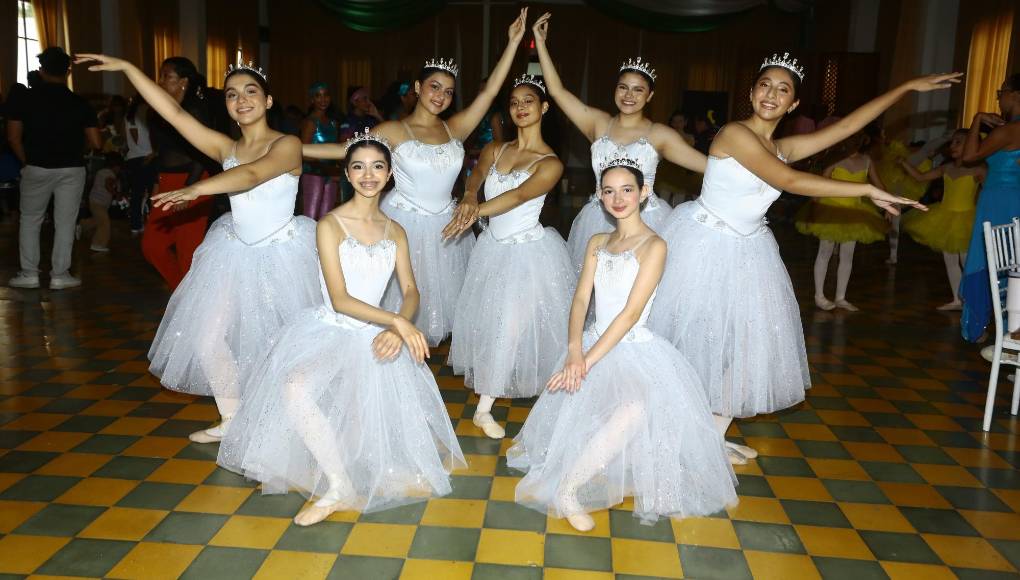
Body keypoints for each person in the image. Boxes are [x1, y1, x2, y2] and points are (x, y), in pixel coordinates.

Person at [649, 53, 954, 463]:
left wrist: (903, 89)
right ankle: (662, 427)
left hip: (749, 253)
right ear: (752, 92)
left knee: (741, 347)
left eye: (783, 89)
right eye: (765, 85)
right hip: (704, 246)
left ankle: (711, 434)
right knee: (692, 341)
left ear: (793, 105)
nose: (771, 94)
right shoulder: (734, 134)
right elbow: (787, 180)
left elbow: (847, 126)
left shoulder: (784, 147)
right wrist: (864, 190)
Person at [219, 133, 465, 526]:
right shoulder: (330, 224)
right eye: (358, 166)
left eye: (377, 166)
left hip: (374, 332)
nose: (368, 174)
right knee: (295, 387)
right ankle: (338, 485)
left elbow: (412, 290)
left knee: (355, 413)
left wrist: (397, 324)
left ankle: (344, 470)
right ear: (347, 175)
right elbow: (340, 299)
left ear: (390, 175)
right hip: (333, 327)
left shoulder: (395, 230)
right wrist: (397, 321)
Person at [78, 53, 321, 443]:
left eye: (251, 91)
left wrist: (197, 187)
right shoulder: (224, 146)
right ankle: (232, 418)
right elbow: (173, 114)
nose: (241, 100)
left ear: (268, 101)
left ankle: (292, 420)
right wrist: (129, 70)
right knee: (209, 337)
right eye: (231, 95)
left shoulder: (288, 144)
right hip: (233, 251)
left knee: (283, 344)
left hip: (283, 254)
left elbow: (255, 173)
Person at [508, 158, 737, 532]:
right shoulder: (598, 243)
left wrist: (588, 361)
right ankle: (572, 479)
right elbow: (581, 299)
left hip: (632, 345)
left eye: (627, 189)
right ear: (599, 196)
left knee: (634, 408)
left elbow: (630, 314)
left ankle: (569, 488)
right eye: (609, 190)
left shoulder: (654, 245)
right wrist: (574, 350)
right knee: (595, 409)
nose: (618, 198)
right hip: (593, 342)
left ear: (644, 193)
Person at [303, 8, 530, 346]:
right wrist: (290, 150)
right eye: (434, 87)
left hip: (447, 228)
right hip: (405, 220)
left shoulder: (455, 129)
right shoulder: (394, 129)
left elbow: (488, 95)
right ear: (418, 87)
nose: (440, 95)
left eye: (449, 91)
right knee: (391, 308)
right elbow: (344, 151)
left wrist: (512, 44)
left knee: (439, 313)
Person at [444, 75, 574, 440]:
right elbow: (477, 174)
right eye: (515, 101)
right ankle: (488, 400)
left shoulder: (550, 163)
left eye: (528, 100)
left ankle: (484, 409)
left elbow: (518, 197)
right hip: (492, 249)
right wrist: (470, 195)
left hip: (528, 254)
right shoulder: (496, 148)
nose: (520, 107)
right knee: (491, 323)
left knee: (511, 326)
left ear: (544, 107)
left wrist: (475, 211)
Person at [531, 12, 708, 271]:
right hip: (599, 218)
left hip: (645, 220)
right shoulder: (598, 123)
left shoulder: (659, 134)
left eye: (638, 90)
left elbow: (709, 165)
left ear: (650, 97)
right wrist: (541, 44)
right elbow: (557, 92)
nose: (629, 95)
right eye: (623, 87)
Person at [6, 47, 101, 290]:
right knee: (65, 222)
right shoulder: (80, 103)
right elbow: (96, 142)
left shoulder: (24, 99)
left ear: (41, 70)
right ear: (68, 71)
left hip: (36, 166)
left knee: (30, 219)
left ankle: (29, 273)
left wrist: (27, 160)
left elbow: (13, 137)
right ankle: (60, 274)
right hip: (71, 168)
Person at [140, 57, 217, 290]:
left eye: (167, 76)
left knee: (187, 251)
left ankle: (188, 301)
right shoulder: (158, 111)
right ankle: (183, 295)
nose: (161, 81)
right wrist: (157, 181)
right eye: (161, 75)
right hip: (166, 182)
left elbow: (203, 154)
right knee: (152, 245)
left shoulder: (194, 110)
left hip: (193, 183)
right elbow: (160, 152)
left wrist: (189, 189)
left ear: (183, 81)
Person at [795, 131, 889, 311]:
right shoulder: (835, 160)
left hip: (854, 212)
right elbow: (820, 185)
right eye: (850, 138)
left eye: (856, 139)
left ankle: (841, 297)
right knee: (825, 252)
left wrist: (888, 205)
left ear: (863, 140)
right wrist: (813, 210)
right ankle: (819, 295)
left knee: (847, 255)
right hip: (832, 209)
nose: (853, 142)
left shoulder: (867, 161)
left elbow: (879, 185)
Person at [959, 73, 1020, 343]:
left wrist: (976, 121)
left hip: (998, 201)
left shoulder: (1007, 130)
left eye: (1002, 92)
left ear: (1016, 95)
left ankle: (981, 328)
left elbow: (969, 157)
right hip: (1014, 199)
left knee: (989, 260)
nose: (999, 97)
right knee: (1013, 265)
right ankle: (1011, 331)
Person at [900, 129, 984, 310]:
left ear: (972, 144)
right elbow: (920, 177)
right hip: (945, 216)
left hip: (966, 218)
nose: (952, 146)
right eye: (952, 142)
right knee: (950, 259)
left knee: (966, 261)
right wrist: (903, 163)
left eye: (958, 142)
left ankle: (971, 299)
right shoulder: (947, 167)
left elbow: (989, 192)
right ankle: (957, 299)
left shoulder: (979, 168)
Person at [300, 82, 339, 219]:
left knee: (326, 218)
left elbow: (336, 151)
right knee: (310, 217)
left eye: (326, 95)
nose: (323, 99)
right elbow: (303, 153)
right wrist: (324, 165)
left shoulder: (333, 123)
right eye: (318, 96)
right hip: (313, 173)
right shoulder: (310, 122)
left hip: (331, 175)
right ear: (312, 100)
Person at [124, 93, 156, 236]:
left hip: (133, 157)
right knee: (152, 193)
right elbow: (150, 136)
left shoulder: (128, 115)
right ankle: (152, 226)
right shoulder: (146, 111)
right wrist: (153, 152)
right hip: (148, 156)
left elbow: (129, 138)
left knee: (136, 194)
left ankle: (135, 225)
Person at [79, 152, 123, 252]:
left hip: (96, 202)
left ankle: (81, 225)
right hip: (98, 202)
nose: (119, 170)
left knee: (97, 220)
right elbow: (108, 185)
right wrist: (117, 194)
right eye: (119, 168)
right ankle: (98, 244)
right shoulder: (109, 173)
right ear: (116, 166)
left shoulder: (102, 171)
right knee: (104, 222)